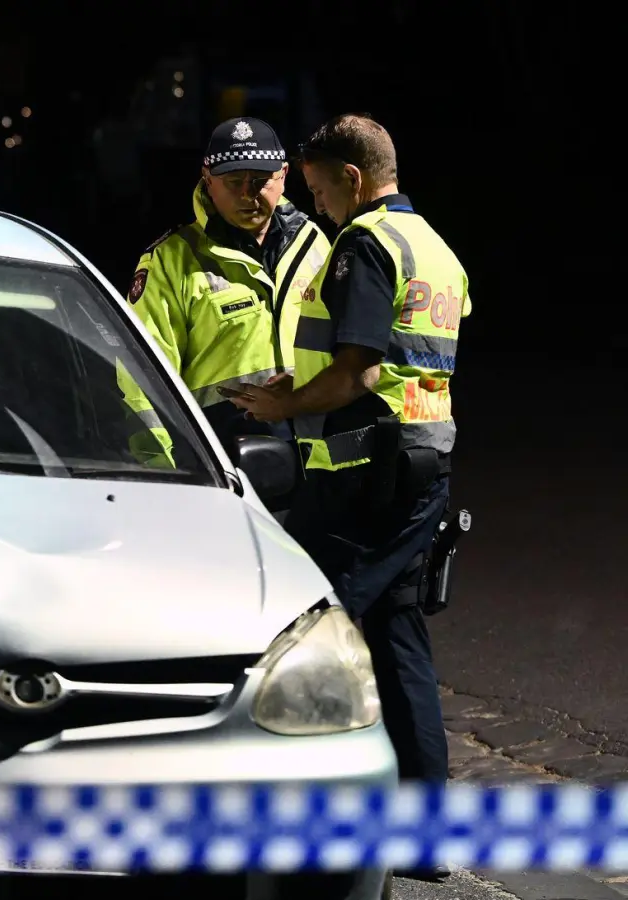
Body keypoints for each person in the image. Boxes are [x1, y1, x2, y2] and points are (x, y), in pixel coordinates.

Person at [228, 113, 469, 879]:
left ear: (353, 180)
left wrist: (282, 407)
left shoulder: (364, 243)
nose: (320, 206)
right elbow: (413, 358)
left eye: (321, 190)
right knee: (399, 641)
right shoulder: (434, 246)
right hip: (425, 463)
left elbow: (360, 371)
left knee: (307, 637)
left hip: (368, 473)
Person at [120, 116, 330, 462]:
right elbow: (141, 378)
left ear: (283, 176)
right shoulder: (171, 260)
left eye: (260, 181)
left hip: (317, 462)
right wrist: (158, 467)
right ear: (207, 180)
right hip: (222, 462)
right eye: (234, 182)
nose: (248, 194)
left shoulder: (315, 245)